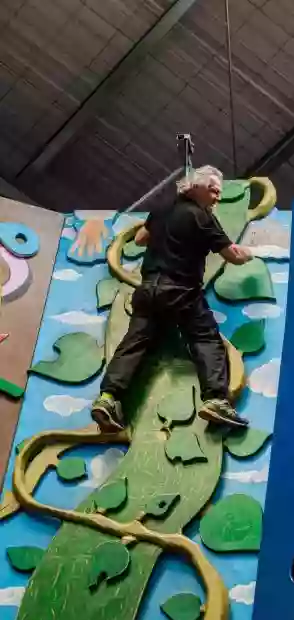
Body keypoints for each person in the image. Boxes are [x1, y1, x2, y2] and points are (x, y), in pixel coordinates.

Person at [91, 165, 254, 433]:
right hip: (181, 291)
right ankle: (215, 399)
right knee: (205, 339)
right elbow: (233, 256)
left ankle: (108, 398)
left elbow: (142, 238)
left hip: (148, 290)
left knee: (134, 343)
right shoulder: (202, 217)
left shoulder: (161, 211)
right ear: (195, 187)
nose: (217, 197)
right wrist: (248, 252)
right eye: (213, 190)